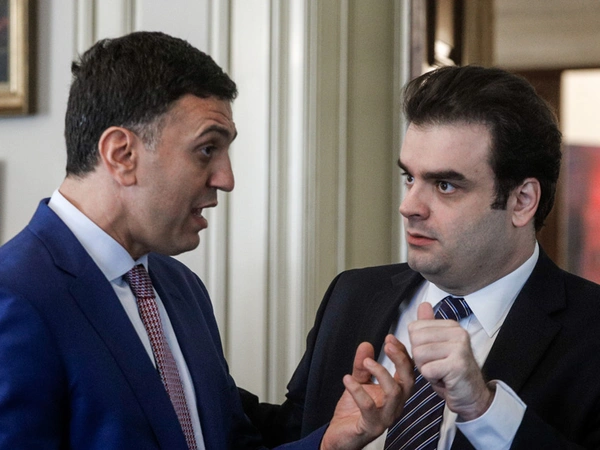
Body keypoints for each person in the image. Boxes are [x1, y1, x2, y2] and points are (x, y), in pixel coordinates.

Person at [0, 31, 415, 449]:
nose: (226, 179)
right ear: (122, 154)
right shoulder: (16, 298)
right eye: (206, 150)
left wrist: (331, 442)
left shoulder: (180, 287)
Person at [241, 65, 600, 449]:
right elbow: (290, 434)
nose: (409, 206)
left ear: (522, 201)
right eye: (410, 178)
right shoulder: (353, 294)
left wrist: (484, 408)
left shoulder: (590, 330)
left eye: (445, 185)